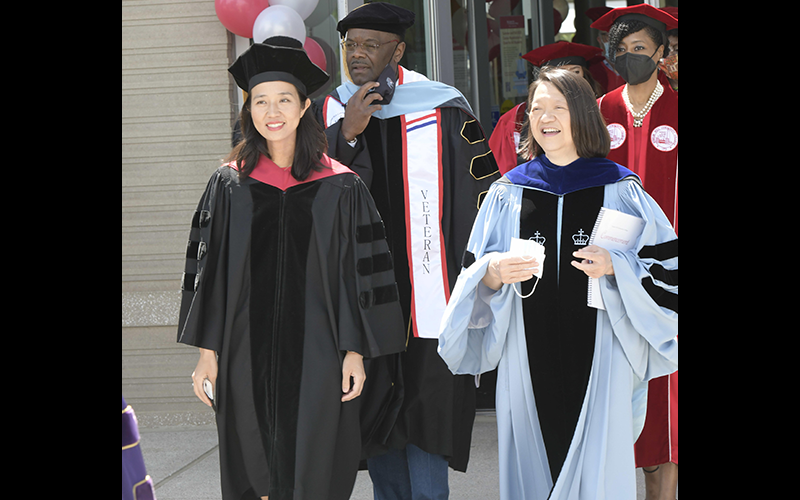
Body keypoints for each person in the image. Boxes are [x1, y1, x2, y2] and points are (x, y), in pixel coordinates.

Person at [177, 36, 407, 500]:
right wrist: (207, 352)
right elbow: (209, 271)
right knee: (253, 464)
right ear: (250, 111)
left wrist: (355, 351)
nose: (272, 111)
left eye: (284, 99)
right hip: (244, 352)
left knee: (315, 468)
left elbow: (361, 277)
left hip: (320, 351)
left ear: (305, 108)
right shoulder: (228, 185)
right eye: (260, 101)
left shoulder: (341, 188)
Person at [438, 67, 678, 500]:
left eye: (558, 107)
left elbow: (666, 274)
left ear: (583, 114)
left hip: (602, 352)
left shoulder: (621, 188)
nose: (545, 117)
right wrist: (492, 272)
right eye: (536, 109)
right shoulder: (508, 192)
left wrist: (617, 266)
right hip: (526, 355)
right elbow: (474, 270)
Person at [313, 3, 500, 498]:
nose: (357, 55)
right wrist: (344, 135)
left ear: (398, 50)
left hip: (429, 292)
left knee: (426, 411)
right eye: (350, 45)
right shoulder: (327, 113)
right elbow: (304, 193)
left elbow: (483, 197)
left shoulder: (444, 107)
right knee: (374, 416)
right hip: (362, 295)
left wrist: (475, 280)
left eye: (370, 45)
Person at [592, 7, 679, 499]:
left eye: (640, 51)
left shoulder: (677, 110)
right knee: (624, 373)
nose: (629, 60)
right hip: (613, 268)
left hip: (670, 269)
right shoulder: (599, 111)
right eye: (620, 52)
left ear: (663, 54)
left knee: (669, 382)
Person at [488, 41, 605, 174]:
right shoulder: (515, 118)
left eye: (576, 72)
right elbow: (497, 170)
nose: (567, 79)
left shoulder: (602, 109)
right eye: (560, 72)